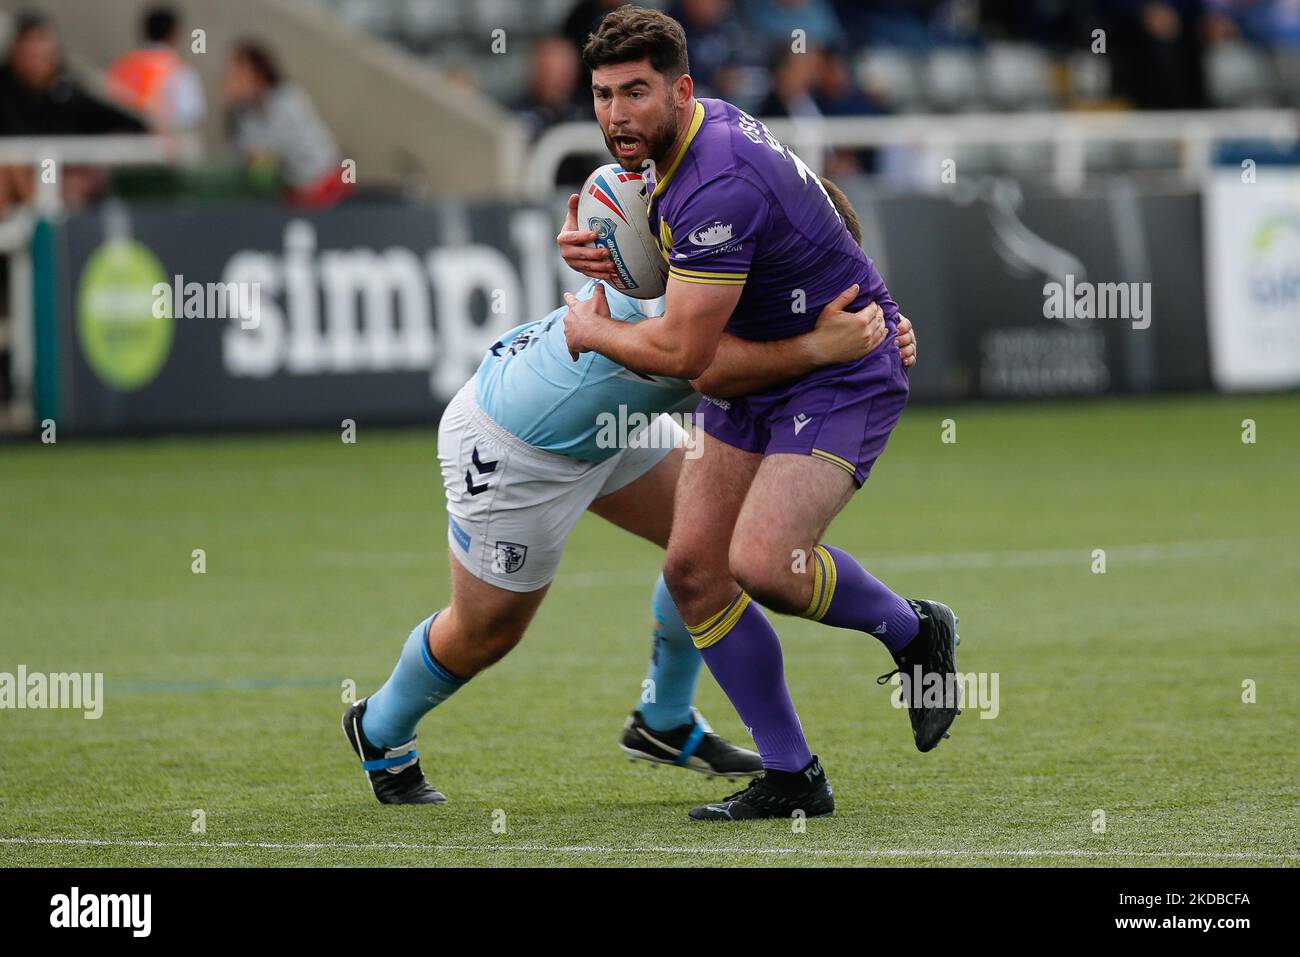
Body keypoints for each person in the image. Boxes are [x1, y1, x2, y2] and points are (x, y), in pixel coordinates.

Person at [342, 216, 918, 804]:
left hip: (612, 424)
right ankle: (380, 729)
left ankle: (663, 721)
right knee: (486, 633)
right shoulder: (709, 284)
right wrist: (825, 348)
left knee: (714, 545)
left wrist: (880, 337)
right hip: (514, 447)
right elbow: (723, 368)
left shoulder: (723, 244)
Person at [558, 6, 961, 821]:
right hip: (766, 363)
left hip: (838, 372)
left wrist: (594, 327)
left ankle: (914, 631)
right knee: (693, 569)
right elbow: (800, 221)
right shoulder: (685, 145)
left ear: (681, 88)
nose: (616, 115)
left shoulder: (715, 181)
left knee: (767, 563)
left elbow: (681, 355)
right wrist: (606, 255)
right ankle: (793, 775)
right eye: (602, 95)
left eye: (635, 93)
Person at [222, 40, 349, 208]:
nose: (233, 81)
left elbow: (265, 156)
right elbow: (243, 158)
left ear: (258, 73)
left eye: (239, 74)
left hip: (326, 185)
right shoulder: (243, 114)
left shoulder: (288, 99)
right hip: (294, 193)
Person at [106, 5, 206, 131]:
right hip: (165, 146)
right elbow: (191, 116)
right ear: (173, 34)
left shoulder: (121, 68)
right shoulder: (180, 72)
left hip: (124, 145)